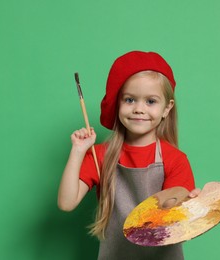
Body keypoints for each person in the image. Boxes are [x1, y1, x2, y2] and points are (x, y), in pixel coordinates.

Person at [58, 51, 200, 259]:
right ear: (117, 104)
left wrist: (191, 205)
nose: (139, 109)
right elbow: (66, 202)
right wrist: (78, 151)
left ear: (166, 109)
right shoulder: (100, 156)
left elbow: (176, 222)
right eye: (130, 99)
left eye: (150, 101)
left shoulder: (175, 159)